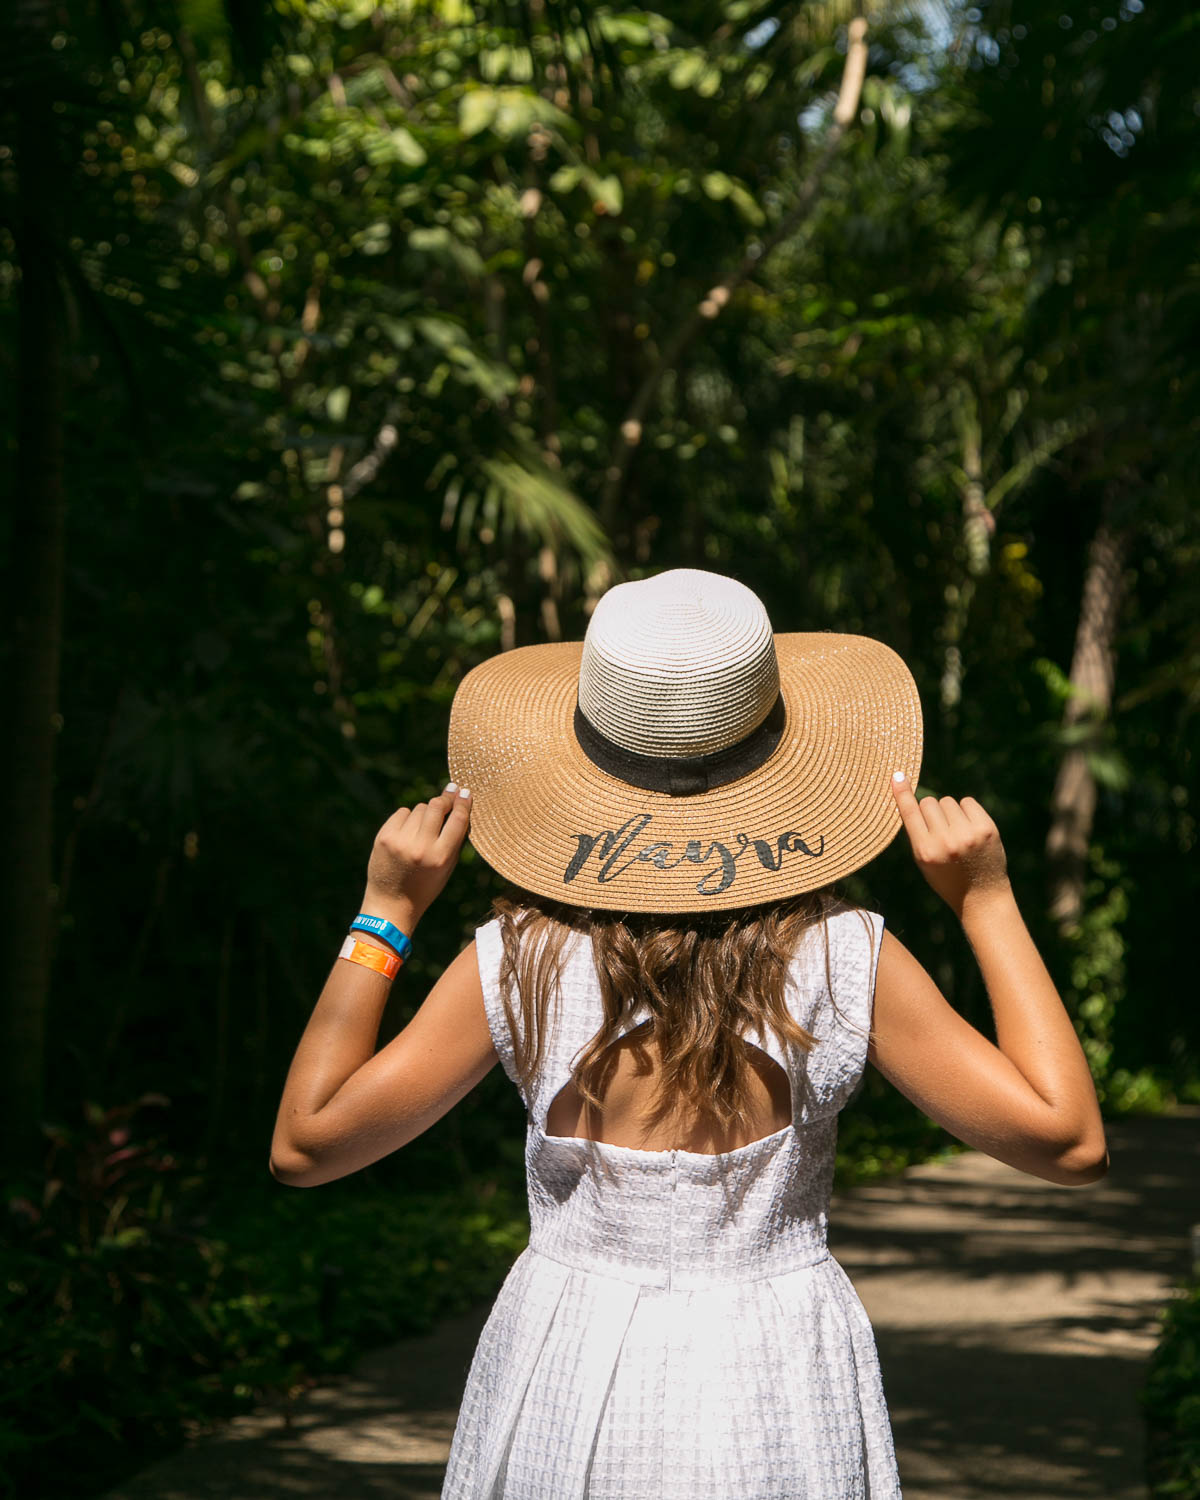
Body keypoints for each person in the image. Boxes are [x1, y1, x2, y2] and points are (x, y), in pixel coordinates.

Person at [270, 568, 1109, 1499]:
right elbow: (1068, 1142)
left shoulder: (519, 963)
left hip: (562, 1359)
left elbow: (306, 1146)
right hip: (777, 1375)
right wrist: (986, 903)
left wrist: (385, 913)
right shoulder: (840, 960)